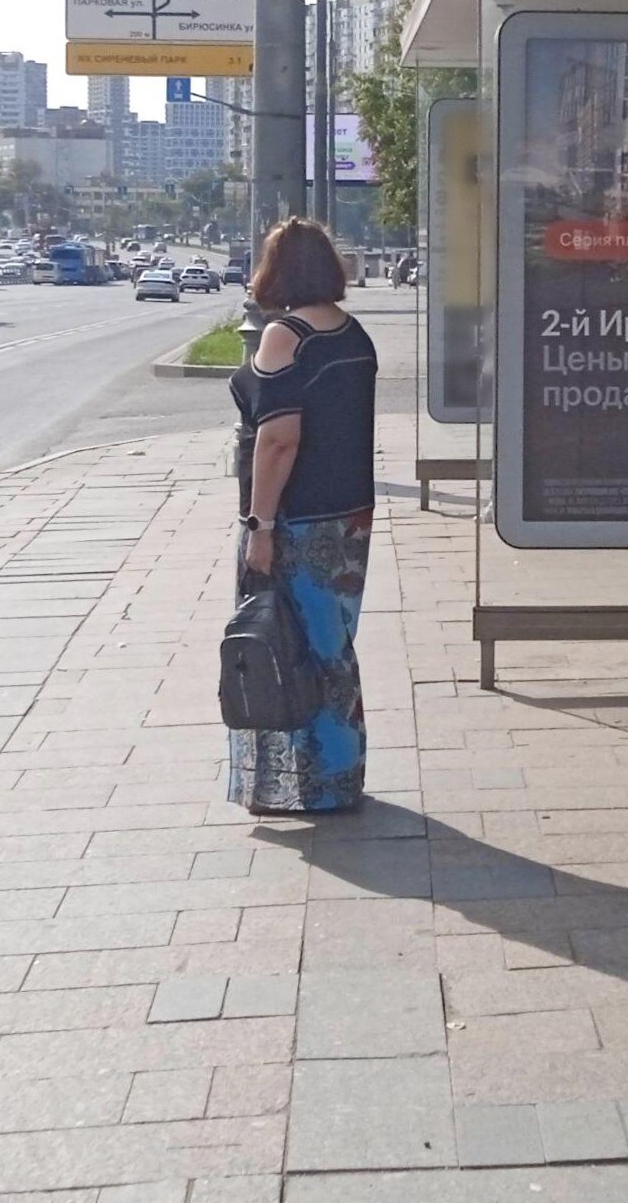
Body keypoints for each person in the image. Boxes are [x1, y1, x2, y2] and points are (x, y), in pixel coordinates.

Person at [228, 216, 379, 814]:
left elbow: (278, 441)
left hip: (296, 519)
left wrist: (260, 527)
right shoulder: (352, 333)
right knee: (331, 648)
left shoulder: (285, 337)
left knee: (282, 647)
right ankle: (338, 777)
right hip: (350, 515)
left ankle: (300, 786)